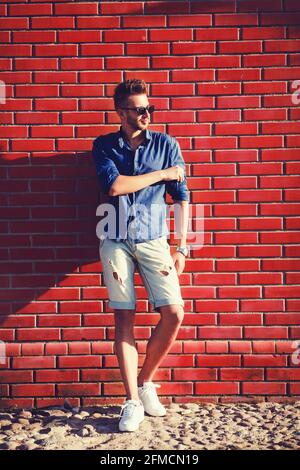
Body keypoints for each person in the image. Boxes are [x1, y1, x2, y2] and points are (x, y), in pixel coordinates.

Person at [92, 79, 189, 432]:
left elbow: (182, 198)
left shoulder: (166, 143)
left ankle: (146, 382)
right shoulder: (104, 145)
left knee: (174, 313)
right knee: (125, 318)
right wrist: (162, 173)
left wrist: (182, 247)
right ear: (121, 112)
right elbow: (115, 186)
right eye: (139, 109)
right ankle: (131, 401)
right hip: (114, 237)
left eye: (150, 108)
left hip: (154, 238)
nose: (147, 114)